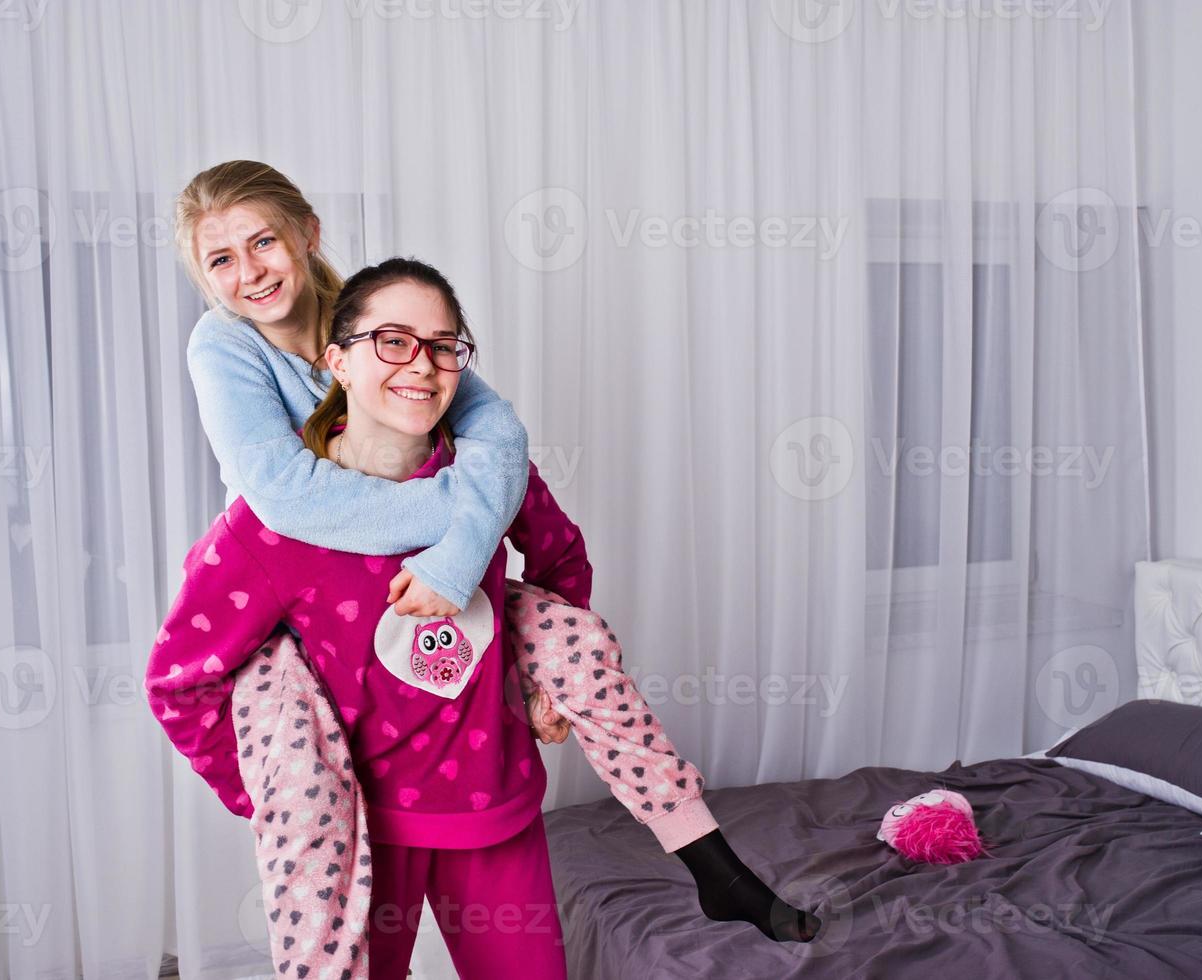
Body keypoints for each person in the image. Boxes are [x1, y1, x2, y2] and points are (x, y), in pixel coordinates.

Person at [171, 160, 820, 944]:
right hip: (301, 595)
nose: (249, 271)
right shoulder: (225, 348)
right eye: (221, 259)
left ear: (308, 235)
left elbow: (502, 442)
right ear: (340, 366)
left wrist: (476, 571)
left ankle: (713, 863)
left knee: (571, 638)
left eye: (264, 241)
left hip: (473, 748)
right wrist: (262, 790)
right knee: (300, 784)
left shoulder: (393, 331)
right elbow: (283, 494)